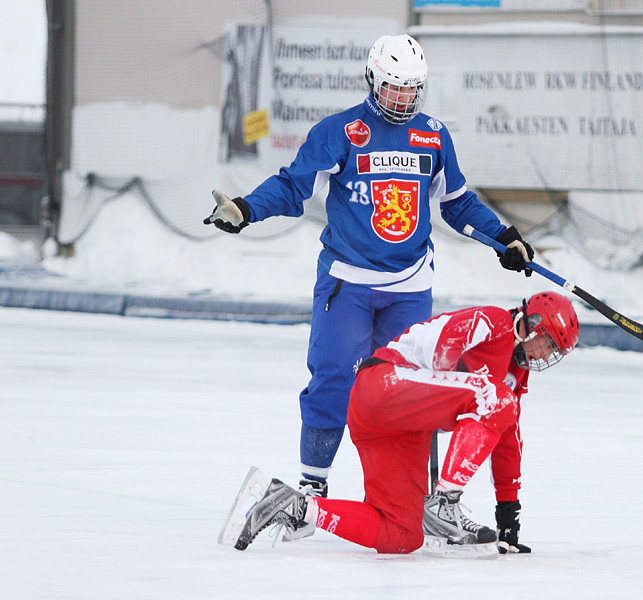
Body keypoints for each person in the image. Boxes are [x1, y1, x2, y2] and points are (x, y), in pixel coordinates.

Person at [203, 33, 535, 527]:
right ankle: (311, 488)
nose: (403, 100)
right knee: (334, 378)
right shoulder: (341, 131)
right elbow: (294, 186)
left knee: (414, 391)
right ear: (372, 82)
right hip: (348, 283)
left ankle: (428, 504)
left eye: (411, 90)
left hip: (409, 286)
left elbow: (458, 202)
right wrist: (247, 209)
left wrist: (502, 237)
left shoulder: (433, 136)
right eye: (393, 89)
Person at [218, 291, 580, 557]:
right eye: (548, 344)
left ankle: (292, 506)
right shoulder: (494, 321)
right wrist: (461, 392)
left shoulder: (510, 376)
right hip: (383, 385)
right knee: (493, 397)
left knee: (402, 535)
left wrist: (508, 514)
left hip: (401, 425)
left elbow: (506, 439)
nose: (546, 356)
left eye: (554, 353)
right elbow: (444, 349)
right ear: (532, 325)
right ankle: (443, 504)